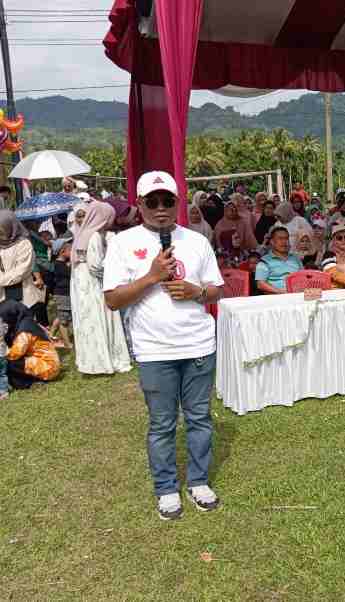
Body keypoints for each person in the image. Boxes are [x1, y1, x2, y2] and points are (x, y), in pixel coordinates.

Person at [104, 171, 225, 520]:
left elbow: (216, 288)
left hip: (199, 344)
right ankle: (167, 488)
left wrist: (197, 292)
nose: (160, 209)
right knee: (162, 423)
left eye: (167, 201)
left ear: (178, 203)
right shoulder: (122, 243)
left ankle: (199, 482)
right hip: (155, 350)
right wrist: (152, 276)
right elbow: (113, 300)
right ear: (139, 204)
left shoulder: (197, 240)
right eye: (152, 202)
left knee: (200, 417)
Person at [71, 202, 132, 375]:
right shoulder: (94, 236)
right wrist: (112, 271)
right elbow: (95, 266)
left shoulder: (82, 233)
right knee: (101, 317)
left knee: (89, 320)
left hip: (81, 283)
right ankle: (107, 360)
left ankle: (92, 360)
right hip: (92, 283)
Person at [0, 299, 60, 389]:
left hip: (48, 367)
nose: (3, 321)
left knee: (9, 362)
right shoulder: (25, 321)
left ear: (10, 315)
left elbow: (14, 354)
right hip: (44, 362)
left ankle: (28, 383)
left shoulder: (25, 330)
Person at [0, 211, 45, 312]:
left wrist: (1, 280)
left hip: (23, 298)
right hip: (2, 299)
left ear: (9, 226)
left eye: (1, 231)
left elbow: (22, 271)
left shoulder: (24, 244)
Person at [255, 226, 303, 294]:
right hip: (277, 297)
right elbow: (260, 284)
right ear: (272, 242)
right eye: (280, 238)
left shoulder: (295, 259)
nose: (284, 241)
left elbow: (304, 277)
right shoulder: (264, 261)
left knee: (320, 295)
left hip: (298, 294)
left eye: (286, 238)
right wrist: (280, 292)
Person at [49, 239, 73, 350]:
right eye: (70, 250)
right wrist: (71, 264)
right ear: (62, 252)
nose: (72, 252)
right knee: (64, 320)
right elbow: (69, 274)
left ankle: (51, 334)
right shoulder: (59, 265)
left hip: (63, 294)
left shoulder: (61, 263)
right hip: (63, 294)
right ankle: (67, 344)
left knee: (61, 315)